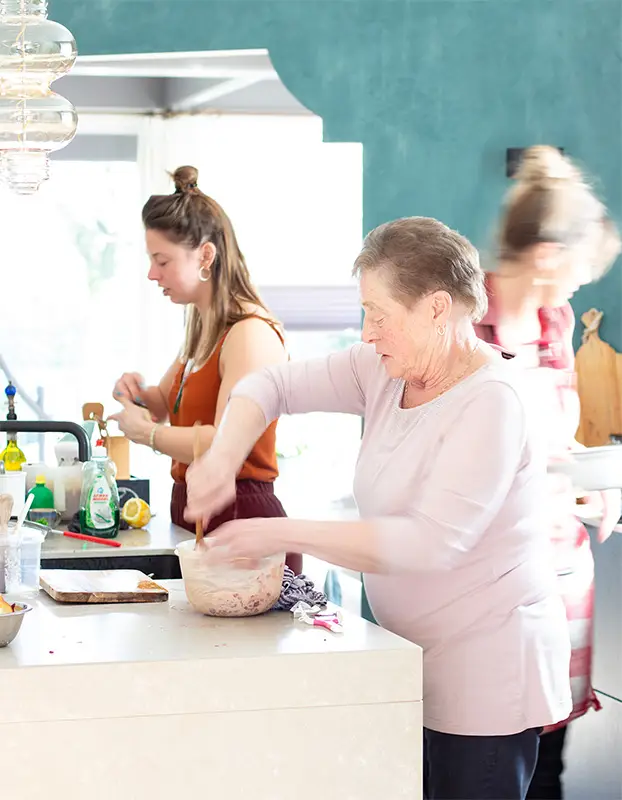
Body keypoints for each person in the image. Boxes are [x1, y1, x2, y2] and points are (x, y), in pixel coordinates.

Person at [185, 215, 573, 800]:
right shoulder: (385, 372)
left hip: (488, 674)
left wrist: (278, 532)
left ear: (438, 308)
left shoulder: (493, 401)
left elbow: (429, 543)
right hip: (405, 660)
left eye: (379, 313)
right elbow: (270, 386)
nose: (367, 332)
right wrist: (220, 457)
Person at [476, 145, 621, 800]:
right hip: (484, 589)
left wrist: (591, 488)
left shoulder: (555, 321)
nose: (579, 286)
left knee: (547, 766)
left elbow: (556, 443)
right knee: (485, 765)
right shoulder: (458, 323)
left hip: (559, 577)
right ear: (546, 256)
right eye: (578, 270)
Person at [110, 165, 302, 574]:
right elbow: (166, 404)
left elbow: (225, 442)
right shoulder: (203, 325)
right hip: (194, 509)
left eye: (161, 260)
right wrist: (139, 393)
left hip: (242, 514)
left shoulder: (249, 333)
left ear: (206, 256)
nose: (151, 273)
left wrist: (148, 434)